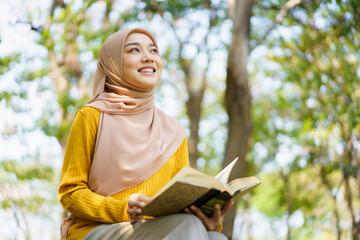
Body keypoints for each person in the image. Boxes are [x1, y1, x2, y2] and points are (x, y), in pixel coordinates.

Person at [58, 27, 233, 240]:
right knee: (187, 224)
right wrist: (122, 209)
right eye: (134, 50)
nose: (148, 58)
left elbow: (180, 200)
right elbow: (70, 193)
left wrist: (207, 219)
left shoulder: (175, 130)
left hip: (160, 228)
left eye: (153, 51)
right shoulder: (91, 116)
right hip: (97, 230)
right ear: (113, 63)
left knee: (216, 238)